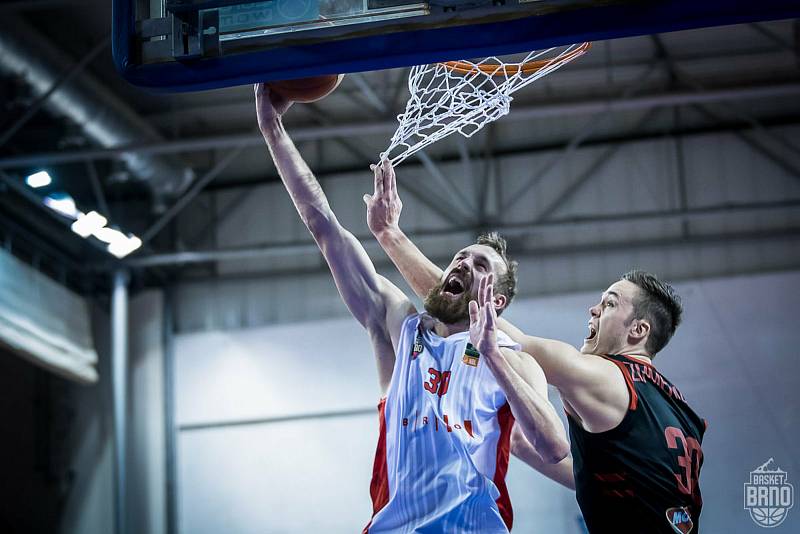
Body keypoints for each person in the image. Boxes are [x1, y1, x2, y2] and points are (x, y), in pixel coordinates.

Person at [254, 83, 570, 533]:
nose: (462, 262)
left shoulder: (515, 362)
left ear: (496, 301)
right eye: (460, 256)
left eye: (480, 265)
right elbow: (322, 224)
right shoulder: (399, 324)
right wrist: (272, 127)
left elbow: (554, 446)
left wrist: (493, 354)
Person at [365, 160, 707, 533]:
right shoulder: (679, 411)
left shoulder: (607, 376)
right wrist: (521, 447)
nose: (593, 309)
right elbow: (608, 478)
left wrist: (390, 237)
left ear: (639, 330)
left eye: (608, 304)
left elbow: (485, 320)